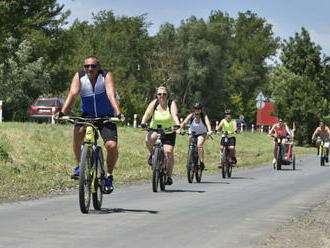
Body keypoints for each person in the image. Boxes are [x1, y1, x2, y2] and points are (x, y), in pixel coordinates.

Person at [55, 56, 125, 194]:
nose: (90, 69)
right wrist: (62, 112)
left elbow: (111, 95)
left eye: (93, 66)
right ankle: (79, 166)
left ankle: (109, 175)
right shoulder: (79, 77)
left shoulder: (105, 76)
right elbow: (73, 94)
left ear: (98, 67)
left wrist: (118, 113)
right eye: (87, 66)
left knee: (111, 146)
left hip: (105, 115)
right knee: (78, 133)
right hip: (87, 115)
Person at [140, 86, 180, 185]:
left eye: (164, 94)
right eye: (159, 94)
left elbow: (175, 115)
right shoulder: (154, 103)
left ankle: (169, 176)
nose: (162, 96)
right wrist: (143, 123)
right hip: (155, 129)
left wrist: (177, 125)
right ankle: (153, 155)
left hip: (169, 131)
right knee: (148, 140)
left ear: (167, 95)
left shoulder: (171, 103)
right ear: (157, 95)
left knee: (168, 152)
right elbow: (147, 113)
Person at [179, 102, 213, 170]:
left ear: (201, 109)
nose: (197, 110)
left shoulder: (204, 116)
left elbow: (207, 123)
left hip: (201, 133)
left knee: (199, 145)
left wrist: (209, 131)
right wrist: (179, 129)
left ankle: (201, 162)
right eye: (195, 108)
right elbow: (184, 122)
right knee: (190, 145)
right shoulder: (191, 115)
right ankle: (190, 159)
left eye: (198, 108)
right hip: (192, 133)